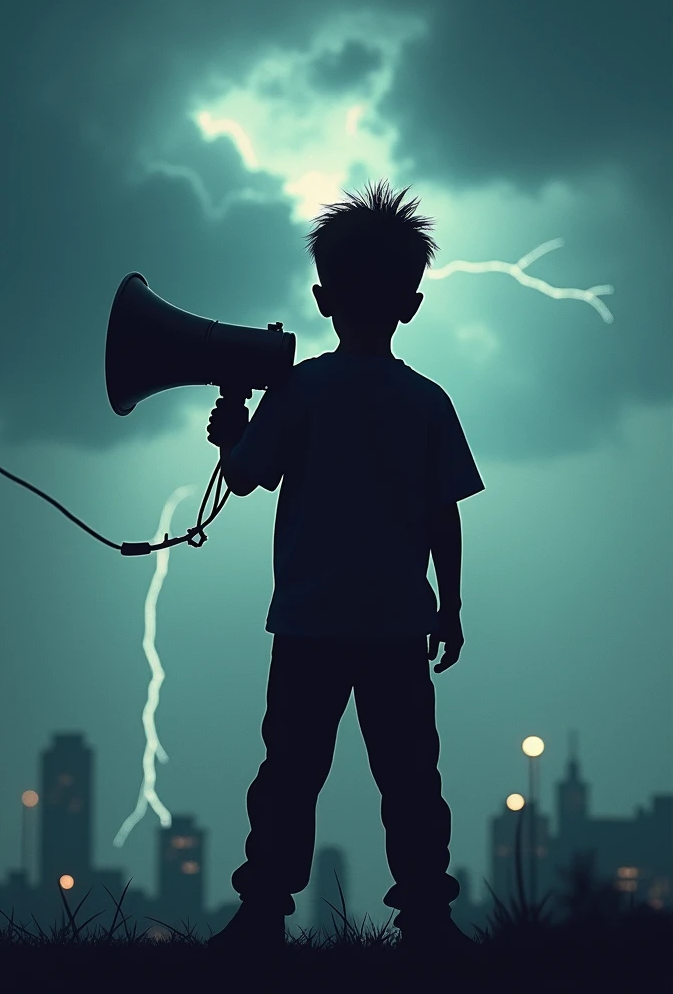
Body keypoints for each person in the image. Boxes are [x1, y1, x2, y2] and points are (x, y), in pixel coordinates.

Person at [206, 179, 485, 961]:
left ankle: (261, 915)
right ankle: (428, 921)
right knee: (411, 782)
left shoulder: (298, 390)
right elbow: (444, 514)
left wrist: (231, 434)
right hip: (398, 622)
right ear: (412, 303)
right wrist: (452, 605)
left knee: (289, 776)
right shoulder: (428, 401)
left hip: (306, 624)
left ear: (324, 300)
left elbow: (247, 476)